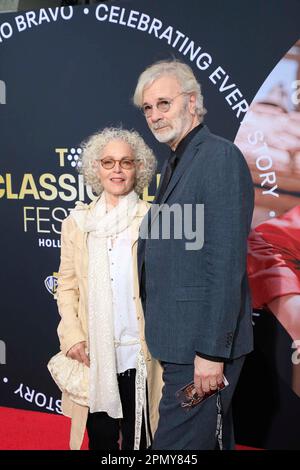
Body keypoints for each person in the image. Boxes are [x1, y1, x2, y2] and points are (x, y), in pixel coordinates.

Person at [133, 60, 254, 450]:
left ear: (191, 102)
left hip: (199, 346)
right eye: (148, 108)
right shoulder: (178, 160)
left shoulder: (218, 158)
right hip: (179, 340)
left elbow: (225, 263)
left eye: (163, 103)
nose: (154, 115)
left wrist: (211, 352)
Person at [56, 127, 163, 450]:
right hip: (95, 356)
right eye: (108, 162)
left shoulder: (154, 220)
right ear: (95, 168)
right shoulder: (77, 222)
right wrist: (72, 334)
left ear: (138, 168)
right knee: (101, 439)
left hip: (141, 354)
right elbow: (67, 284)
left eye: (126, 162)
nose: (117, 170)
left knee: (141, 439)